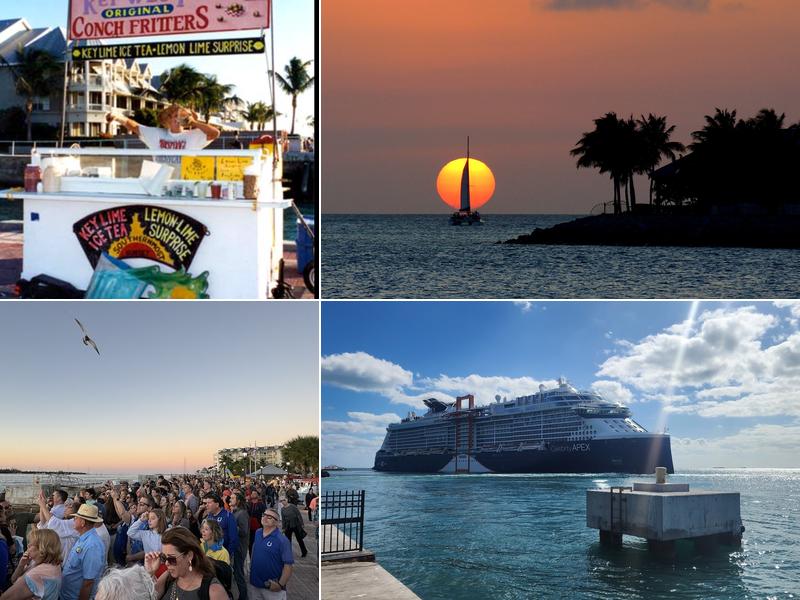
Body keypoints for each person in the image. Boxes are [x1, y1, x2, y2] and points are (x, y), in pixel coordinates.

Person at [143, 527, 227, 600]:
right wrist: (149, 573)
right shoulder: (168, 577)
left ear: (189, 555)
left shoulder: (213, 590)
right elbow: (147, 597)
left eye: (171, 558)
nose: (166, 563)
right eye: (164, 558)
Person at [106, 103, 219, 151]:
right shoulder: (157, 134)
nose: (176, 119)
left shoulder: (193, 135)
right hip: (161, 184)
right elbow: (134, 126)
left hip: (186, 183)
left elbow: (215, 133)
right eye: (173, 116)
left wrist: (193, 123)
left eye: (180, 116)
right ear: (167, 120)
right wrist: (117, 117)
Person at [59, 504, 105, 600]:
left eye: (76, 518)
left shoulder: (92, 545)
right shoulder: (84, 538)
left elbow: (88, 582)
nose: (73, 520)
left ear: (82, 522)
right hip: (67, 595)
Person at [1, 528, 62, 600]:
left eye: (31, 544)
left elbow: (4, 598)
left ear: (42, 548)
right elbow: (13, 580)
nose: (28, 545)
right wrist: (21, 565)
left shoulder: (37, 574)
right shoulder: (52, 563)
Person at [247, 509, 292, 600]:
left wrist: (280, 585)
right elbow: (255, 551)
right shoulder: (258, 533)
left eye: (269, 517)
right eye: (264, 515)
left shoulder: (282, 540)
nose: (265, 518)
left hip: (272, 588)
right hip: (255, 584)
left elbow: (288, 566)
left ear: (276, 522)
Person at [34, 493, 78, 567]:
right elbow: (44, 523)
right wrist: (42, 506)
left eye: (69, 507)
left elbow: (54, 523)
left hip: (65, 562)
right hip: (61, 558)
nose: (66, 508)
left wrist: (42, 505)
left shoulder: (73, 523)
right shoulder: (67, 520)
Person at [200, 494, 238, 559]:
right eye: (206, 503)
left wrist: (227, 554)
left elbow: (233, 539)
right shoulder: (209, 516)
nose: (206, 505)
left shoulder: (228, 516)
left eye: (209, 503)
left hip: (223, 555)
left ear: (217, 504)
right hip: (210, 554)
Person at [228, 493, 248, 600]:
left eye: (232, 498)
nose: (230, 499)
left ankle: (244, 597)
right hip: (234, 546)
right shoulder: (233, 512)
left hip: (239, 548)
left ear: (238, 501)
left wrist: (231, 527)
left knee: (239, 574)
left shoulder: (242, 513)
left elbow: (244, 531)